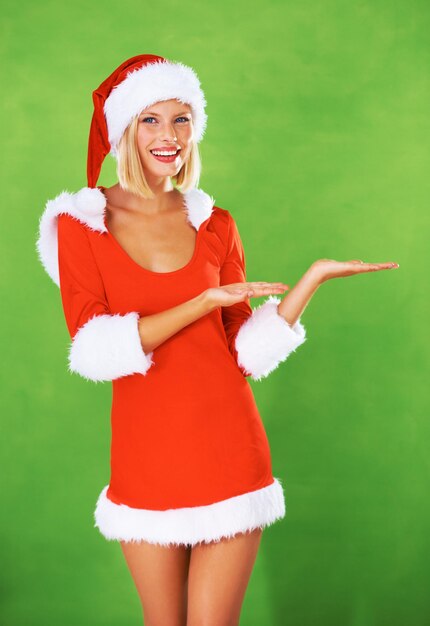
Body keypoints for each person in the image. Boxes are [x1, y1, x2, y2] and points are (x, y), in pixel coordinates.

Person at [35, 54, 399, 625]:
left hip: (230, 448)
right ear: (125, 128)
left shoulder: (214, 221)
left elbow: (245, 352)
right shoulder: (82, 224)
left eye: (181, 119)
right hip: (146, 456)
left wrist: (310, 281)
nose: (169, 135)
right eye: (151, 120)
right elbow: (93, 347)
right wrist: (200, 302)